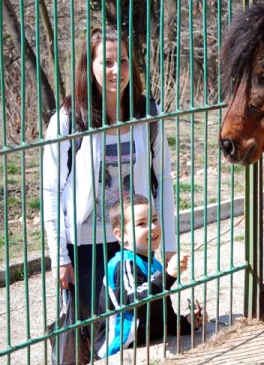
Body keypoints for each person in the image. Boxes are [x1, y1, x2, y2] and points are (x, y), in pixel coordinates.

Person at [42, 27, 176, 342]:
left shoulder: (148, 112)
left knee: (139, 330)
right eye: (108, 62)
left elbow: (165, 180)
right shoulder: (68, 118)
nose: (118, 70)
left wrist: (168, 244)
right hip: (86, 246)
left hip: (135, 241)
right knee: (92, 335)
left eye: (125, 61)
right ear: (89, 67)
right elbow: (51, 190)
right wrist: (59, 256)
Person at [94, 193, 204, 359]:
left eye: (154, 220)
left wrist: (187, 322)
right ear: (120, 234)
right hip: (119, 351)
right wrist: (167, 277)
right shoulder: (124, 264)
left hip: (146, 344)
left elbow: (162, 314)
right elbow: (137, 304)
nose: (152, 227)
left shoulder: (155, 265)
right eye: (141, 224)